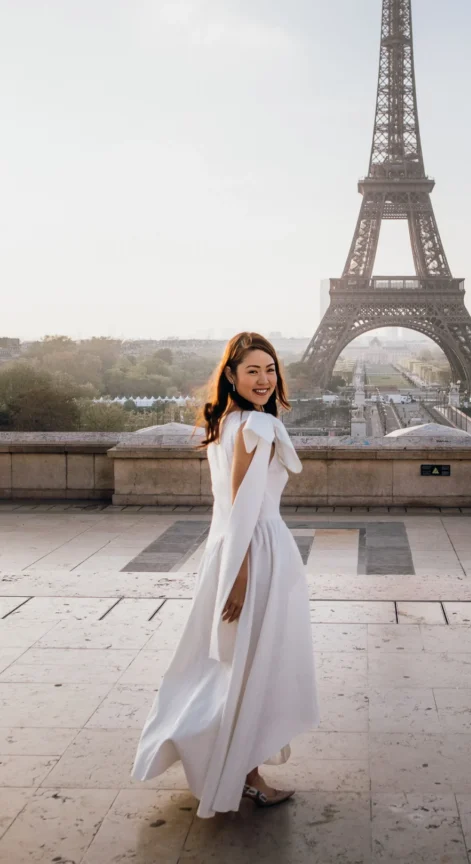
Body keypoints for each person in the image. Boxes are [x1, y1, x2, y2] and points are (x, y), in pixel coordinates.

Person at [131, 332, 319, 816]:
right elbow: (243, 509)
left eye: (270, 369)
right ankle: (243, 774)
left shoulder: (227, 424)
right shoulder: (257, 425)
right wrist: (240, 578)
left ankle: (226, 763)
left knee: (223, 666)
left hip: (228, 552)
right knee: (254, 669)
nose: (264, 379)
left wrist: (231, 569)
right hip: (254, 555)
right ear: (232, 376)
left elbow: (230, 508)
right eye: (252, 370)